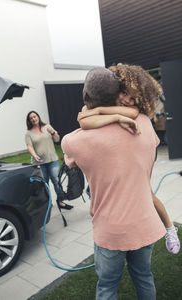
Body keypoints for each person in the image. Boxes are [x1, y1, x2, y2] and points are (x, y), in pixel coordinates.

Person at [61, 66, 166, 300]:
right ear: (119, 91)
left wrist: (99, 112)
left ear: (87, 96)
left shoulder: (73, 141)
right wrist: (119, 115)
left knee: (107, 286)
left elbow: (79, 127)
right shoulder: (145, 124)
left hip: (111, 229)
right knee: (144, 276)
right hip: (144, 221)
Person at [77, 63, 180, 255]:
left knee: (146, 192)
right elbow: (83, 120)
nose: (126, 100)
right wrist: (113, 117)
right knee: (106, 189)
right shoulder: (104, 104)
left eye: (133, 98)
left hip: (135, 156)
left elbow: (131, 113)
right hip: (111, 159)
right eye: (124, 93)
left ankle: (169, 228)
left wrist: (101, 113)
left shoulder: (132, 111)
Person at [25, 111, 73, 210]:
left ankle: (60, 201)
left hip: (52, 160)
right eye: (31, 118)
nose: (33, 119)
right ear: (29, 121)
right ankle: (47, 203)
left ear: (38, 116)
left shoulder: (47, 127)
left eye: (35, 116)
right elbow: (29, 146)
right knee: (44, 184)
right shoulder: (28, 133)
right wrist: (34, 155)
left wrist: (53, 132)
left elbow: (57, 139)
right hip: (39, 163)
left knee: (56, 181)